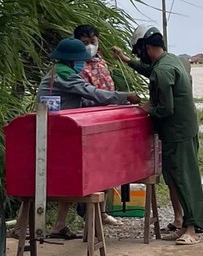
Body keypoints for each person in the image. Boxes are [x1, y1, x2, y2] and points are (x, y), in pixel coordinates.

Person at [112, 25, 203, 245]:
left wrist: (146, 108)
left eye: (138, 52)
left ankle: (193, 229)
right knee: (174, 177)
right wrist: (127, 61)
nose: (139, 56)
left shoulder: (163, 71)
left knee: (184, 178)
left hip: (177, 131)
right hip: (182, 128)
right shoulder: (169, 60)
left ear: (146, 47)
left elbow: (166, 109)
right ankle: (183, 224)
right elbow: (150, 71)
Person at [38, 37, 140, 238]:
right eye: (80, 60)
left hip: (54, 130)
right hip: (59, 133)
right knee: (67, 177)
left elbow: (81, 101)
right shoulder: (66, 76)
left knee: (64, 180)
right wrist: (124, 96)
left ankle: (58, 225)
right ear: (71, 60)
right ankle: (25, 227)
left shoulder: (57, 73)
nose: (82, 64)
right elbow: (92, 93)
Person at [73, 24, 125, 227]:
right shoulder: (76, 65)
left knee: (106, 166)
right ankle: (86, 213)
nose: (90, 47)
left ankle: (102, 211)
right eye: (85, 43)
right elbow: (85, 94)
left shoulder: (101, 61)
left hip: (107, 120)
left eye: (92, 42)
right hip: (86, 122)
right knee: (86, 169)